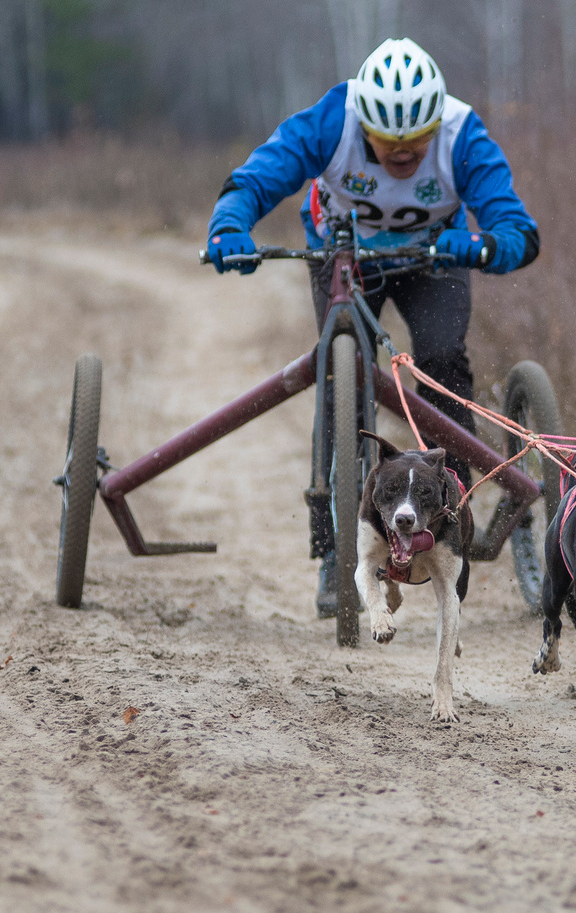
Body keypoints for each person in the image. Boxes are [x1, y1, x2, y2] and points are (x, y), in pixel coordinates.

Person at [204, 39, 539, 613]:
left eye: (417, 140)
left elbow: (518, 230)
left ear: (437, 121)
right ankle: (335, 548)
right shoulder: (332, 121)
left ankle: (447, 523)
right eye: (389, 141)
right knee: (343, 373)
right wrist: (230, 223)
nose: (404, 152)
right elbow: (258, 177)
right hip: (342, 260)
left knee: (441, 362)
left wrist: (483, 245)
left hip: (433, 260)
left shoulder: (463, 136)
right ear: (364, 124)